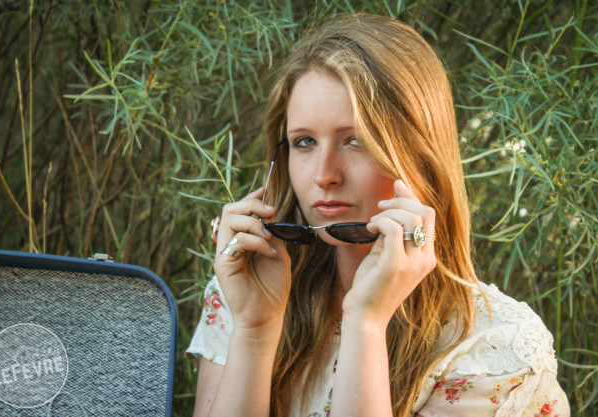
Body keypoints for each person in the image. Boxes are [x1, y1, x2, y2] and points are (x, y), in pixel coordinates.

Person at [186, 14, 570, 417]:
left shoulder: (494, 348)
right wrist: (254, 330)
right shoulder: (247, 291)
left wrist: (365, 323)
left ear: (420, 156)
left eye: (356, 141)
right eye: (304, 142)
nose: (324, 175)